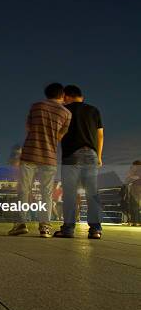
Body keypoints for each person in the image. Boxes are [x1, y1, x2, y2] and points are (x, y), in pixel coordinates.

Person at [8, 83, 71, 238]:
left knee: (24, 190)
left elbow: (28, 127)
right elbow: (60, 136)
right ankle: (45, 227)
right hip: (49, 156)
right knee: (47, 193)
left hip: (30, 153)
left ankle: (20, 224)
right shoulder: (67, 113)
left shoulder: (36, 106)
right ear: (62, 95)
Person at [55, 85, 104, 239]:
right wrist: (99, 156)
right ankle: (95, 230)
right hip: (91, 154)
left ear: (67, 96)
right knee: (92, 193)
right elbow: (100, 135)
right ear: (81, 96)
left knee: (70, 193)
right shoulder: (93, 110)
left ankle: (68, 229)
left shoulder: (64, 111)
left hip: (72, 155)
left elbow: (58, 135)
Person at [125, 160, 141, 226]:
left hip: (136, 187)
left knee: (134, 205)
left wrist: (131, 177)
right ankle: (135, 221)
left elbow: (129, 177)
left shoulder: (136, 170)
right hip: (135, 187)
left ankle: (135, 221)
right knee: (135, 205)